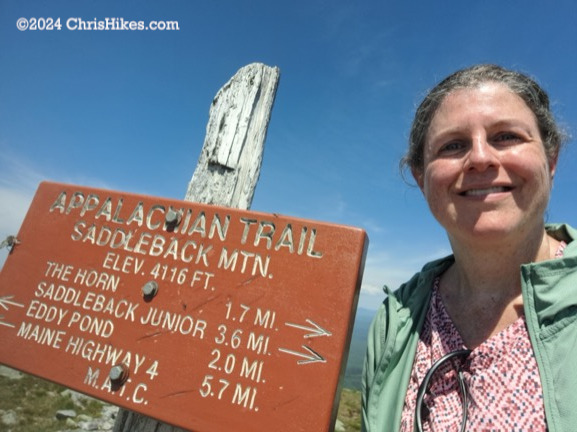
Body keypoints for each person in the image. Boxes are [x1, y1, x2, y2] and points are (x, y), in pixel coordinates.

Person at [361, 64, 575, 432]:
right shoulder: (395, 320)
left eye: (506, 136)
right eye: (453, 145)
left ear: (551, 159)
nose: (480, 157)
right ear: (421, 176)